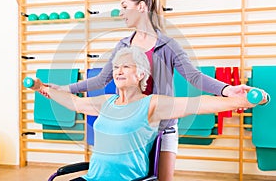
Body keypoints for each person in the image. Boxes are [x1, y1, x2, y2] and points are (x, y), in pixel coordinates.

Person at [43, 0, 252, 180]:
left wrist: (227, 90)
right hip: (129, 126)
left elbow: (194, 77)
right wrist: (64, 88)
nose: (121, 12)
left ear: (141, 7)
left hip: (162, 126)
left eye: (125, 6)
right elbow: (101, 79)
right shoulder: (123, 45)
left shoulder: (168, 45)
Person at [31, 47, 265, 181]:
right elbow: (73, 102)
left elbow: (198, 103)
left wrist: (243, 99)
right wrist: (41, 88)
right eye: (115, 67)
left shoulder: (152, 104)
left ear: (141, 74)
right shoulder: (106, 102)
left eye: (126, 66)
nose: (118, 71)